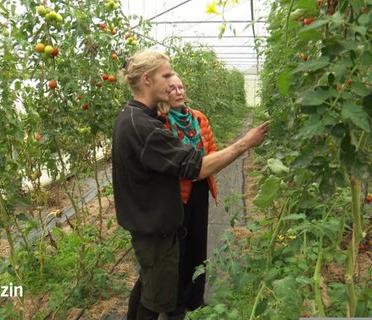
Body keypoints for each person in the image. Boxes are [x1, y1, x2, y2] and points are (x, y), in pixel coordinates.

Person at [112, 49, 268, 320]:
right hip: (155, 230)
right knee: (156, 299)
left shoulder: (133, 116)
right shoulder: (145, 127)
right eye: (167, 75)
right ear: (147, 80)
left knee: (148, 284)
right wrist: (245, 143)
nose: (173, 81)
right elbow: (197, 166)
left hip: (149, 224)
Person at [157, 74, 218, 318]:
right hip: (175, 193)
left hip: (199, 187)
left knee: (197, 242)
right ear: (162, 93)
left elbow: (212, 150)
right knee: (177, 249)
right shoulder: (160, 123)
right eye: (171, 88)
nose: (178, 91)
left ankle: (196, 298)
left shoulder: (198, 118)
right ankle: (176, 304)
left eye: (180, 87)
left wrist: (205, 167)